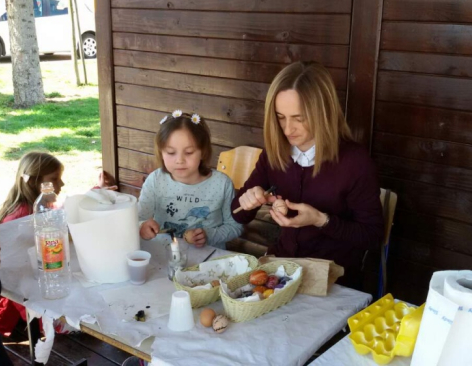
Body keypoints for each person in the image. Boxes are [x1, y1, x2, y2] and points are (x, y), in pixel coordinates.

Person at [231, 61, 384, 289]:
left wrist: (321, 220)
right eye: (280, 117)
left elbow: (372, 236)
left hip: (334, 279)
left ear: (323, 113)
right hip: (283, 270)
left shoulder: (355, 162)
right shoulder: (275, 152)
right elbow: (238, 214)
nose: (287, 129)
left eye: (299, 118)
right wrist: (249, 199)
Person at [0, 151, 116, 336]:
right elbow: (15, 278)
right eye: (55, 179)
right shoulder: (20, 218)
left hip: (49, 280)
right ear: (33, 182)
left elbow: (65, 211)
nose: (61, 184)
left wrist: (96, 190)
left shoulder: (40, 206)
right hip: (33, 309)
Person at [139, 110, 243, 249]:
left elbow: (235, 226)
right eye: (171, 153)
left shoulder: (221, 184)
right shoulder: (155, 180)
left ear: (203, 152)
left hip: (209, 260)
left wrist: (209, 235)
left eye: (189, 152)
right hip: (165, 254)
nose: (180, 160)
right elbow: (139, 218)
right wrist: (142, 227)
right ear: (161, 152)